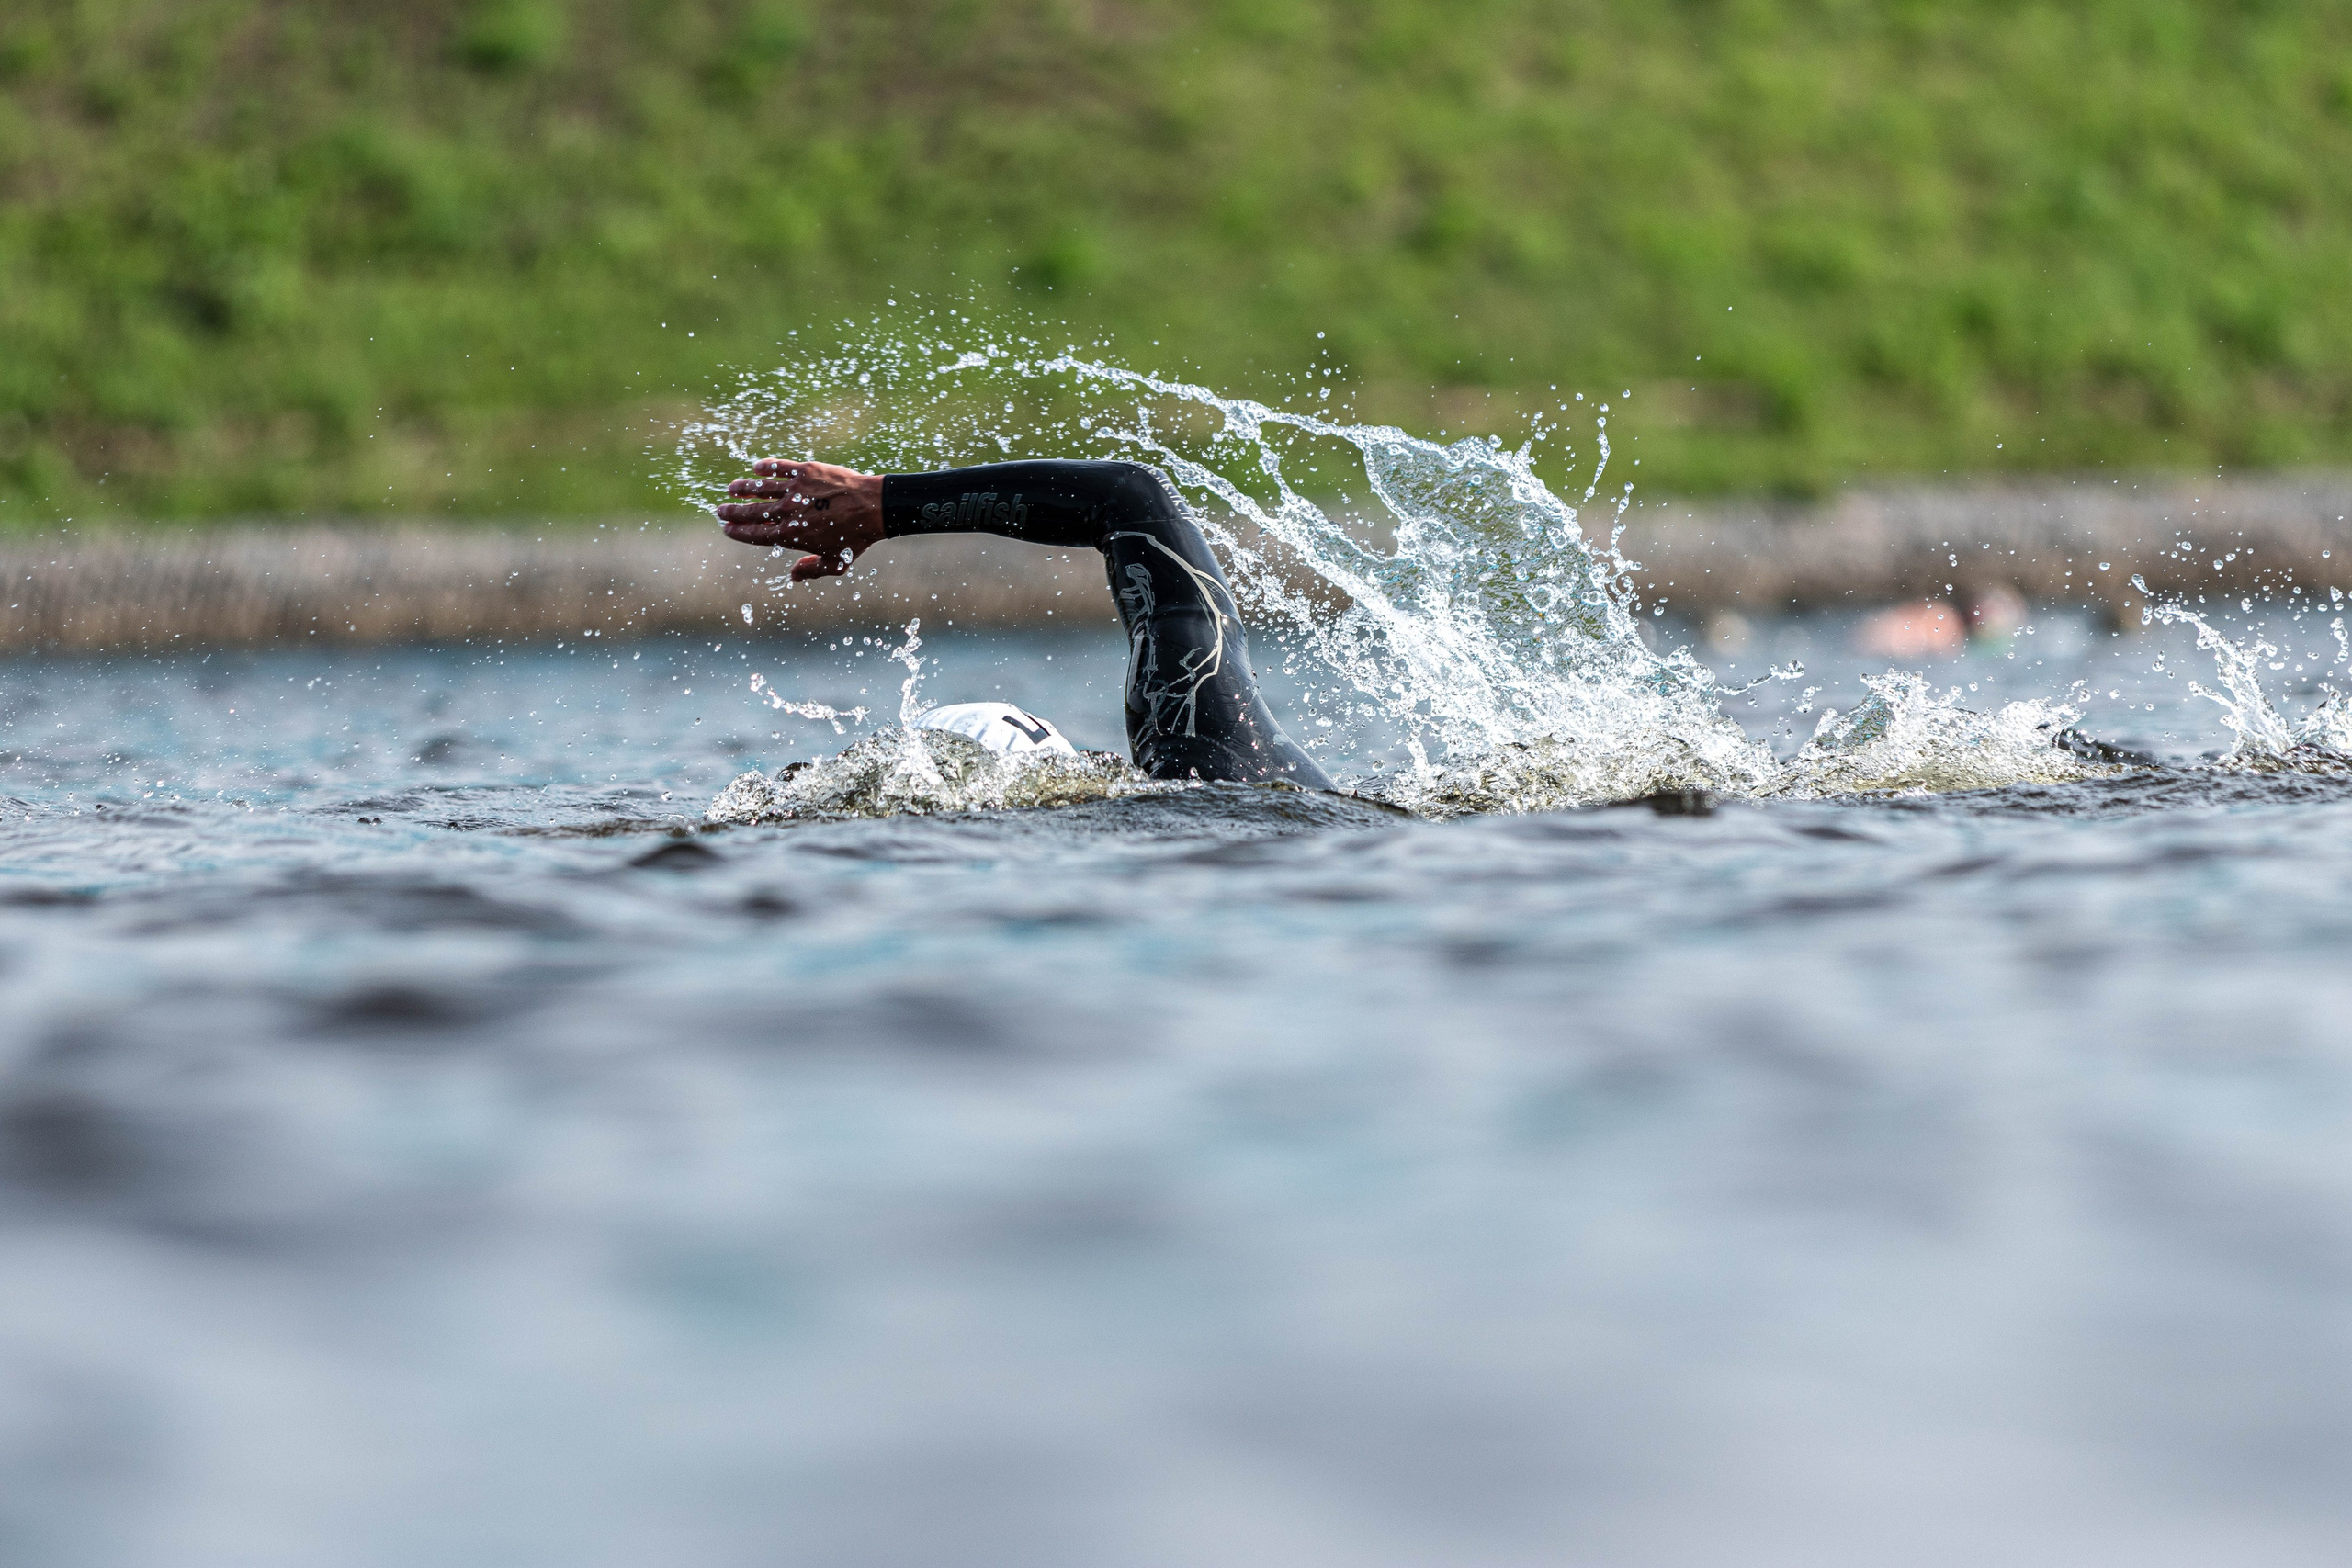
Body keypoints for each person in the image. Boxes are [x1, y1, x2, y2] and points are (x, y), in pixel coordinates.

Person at [716, 457, 1333, 790]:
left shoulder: (1193, 766)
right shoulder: (1203, 753)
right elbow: (1129, 498)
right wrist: (882, 505)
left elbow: (1131, 493)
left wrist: (882, 507)